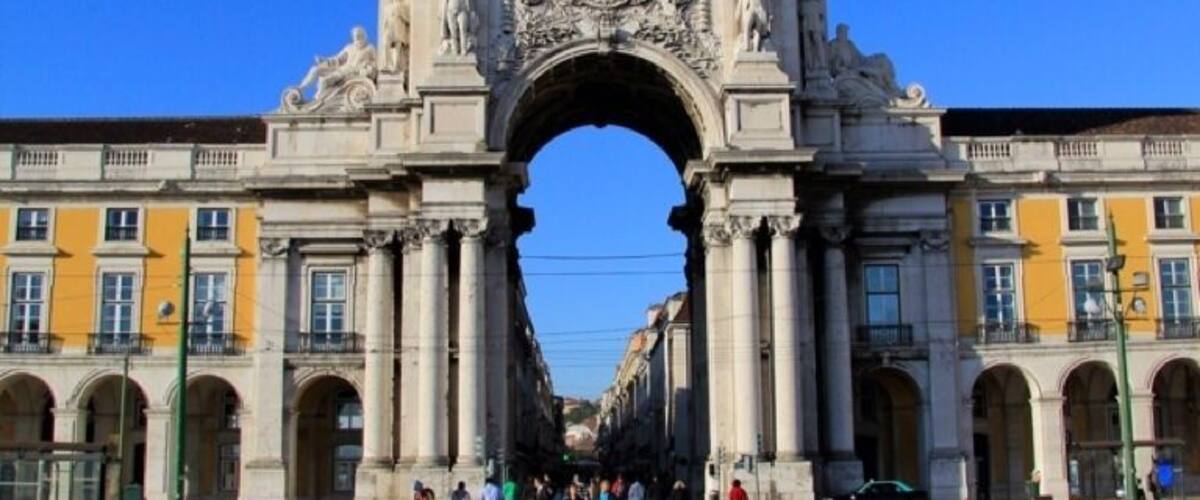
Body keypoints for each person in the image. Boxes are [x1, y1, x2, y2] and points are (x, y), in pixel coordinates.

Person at [296, 26, 377, 100]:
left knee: (324, 81)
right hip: (342, 70)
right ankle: (301, 87)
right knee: (315, 69)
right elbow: (337, 59)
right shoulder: (349, 47)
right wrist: (324, 60)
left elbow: (375, 62)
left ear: (363, 35)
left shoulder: (369, 48)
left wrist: (368, 68)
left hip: (350, 73)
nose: (357, 38)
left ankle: (318, 100)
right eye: (355, 36)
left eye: (359, 35)